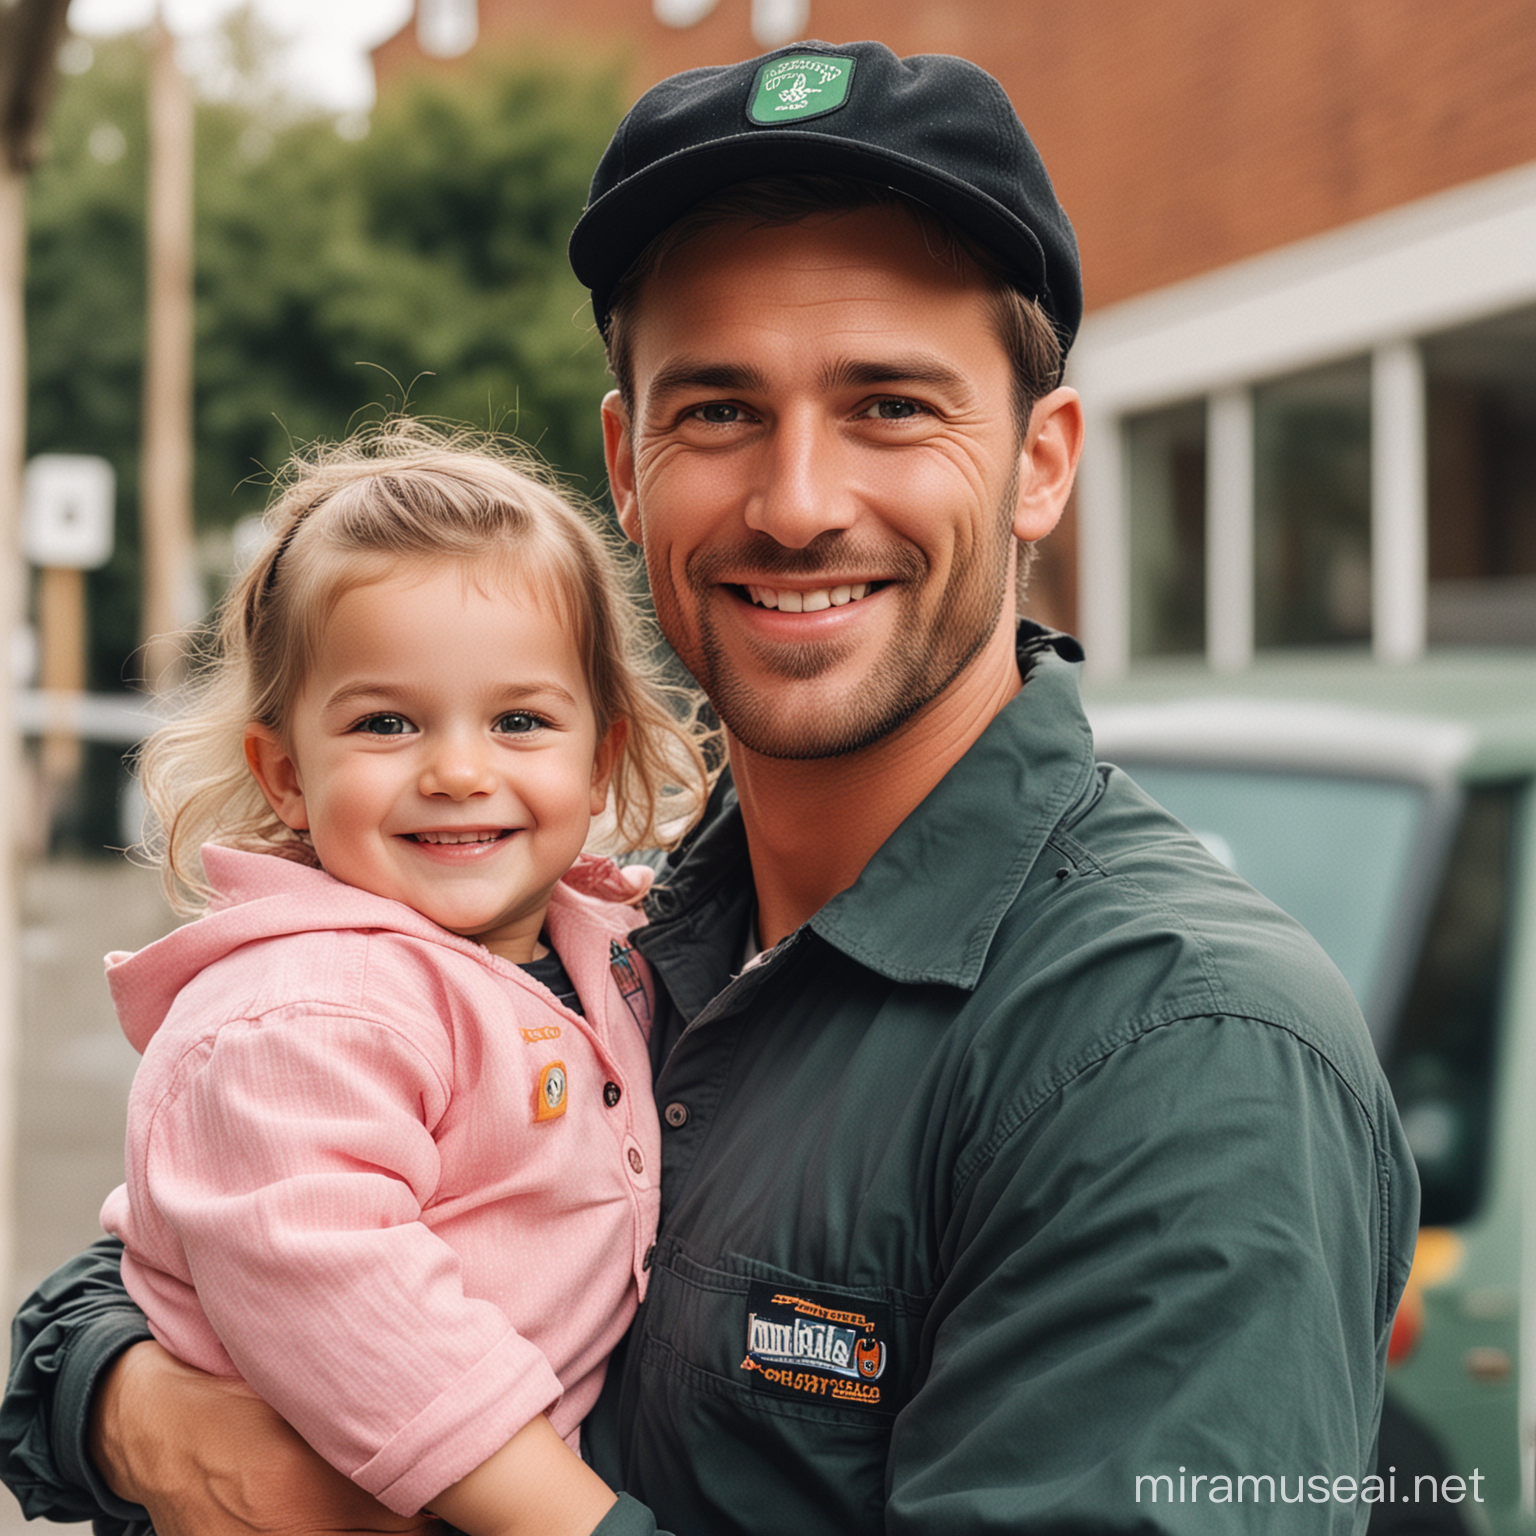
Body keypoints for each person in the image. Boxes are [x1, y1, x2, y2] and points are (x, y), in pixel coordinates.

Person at [1, 40, 1417, 1536]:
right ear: (626, 462)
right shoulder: (605, 913)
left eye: (891, 406)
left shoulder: (1180, 1060)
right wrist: (127, 1406)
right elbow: (211, 1204)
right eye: (721, 411)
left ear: (1042, 465)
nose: (798, 504)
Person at [77, 425, 711, 1536]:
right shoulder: (309, 1012)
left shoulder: (597, 944)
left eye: (519, 721)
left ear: (598, 757)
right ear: (285, 773)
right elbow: (350, 1304)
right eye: (386, 723)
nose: (459, 770)